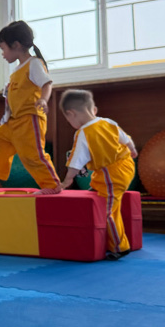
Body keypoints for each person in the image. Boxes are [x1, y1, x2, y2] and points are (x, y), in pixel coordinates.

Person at [54, 89, 138, 260]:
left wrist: (67, 180)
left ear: (71, 114)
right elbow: (126, 139)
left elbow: (76, 161)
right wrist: (133, 150)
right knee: (99, 180)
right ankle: (97, 189)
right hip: (126, 165)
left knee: (107, 212)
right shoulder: (108, 122)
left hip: (112, 174)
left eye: (68, 119)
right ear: (94, 110)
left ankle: (120, 247)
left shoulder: (84, 133)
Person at [0, 21, 60, 191]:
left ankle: (52, 185)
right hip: (14, 120)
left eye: (3, 48)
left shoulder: (34, 64)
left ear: (16, 45)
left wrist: (43, 100)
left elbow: (47, 84)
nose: (2, 54)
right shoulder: (17, 70)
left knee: (32, 155)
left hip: (29, 119)